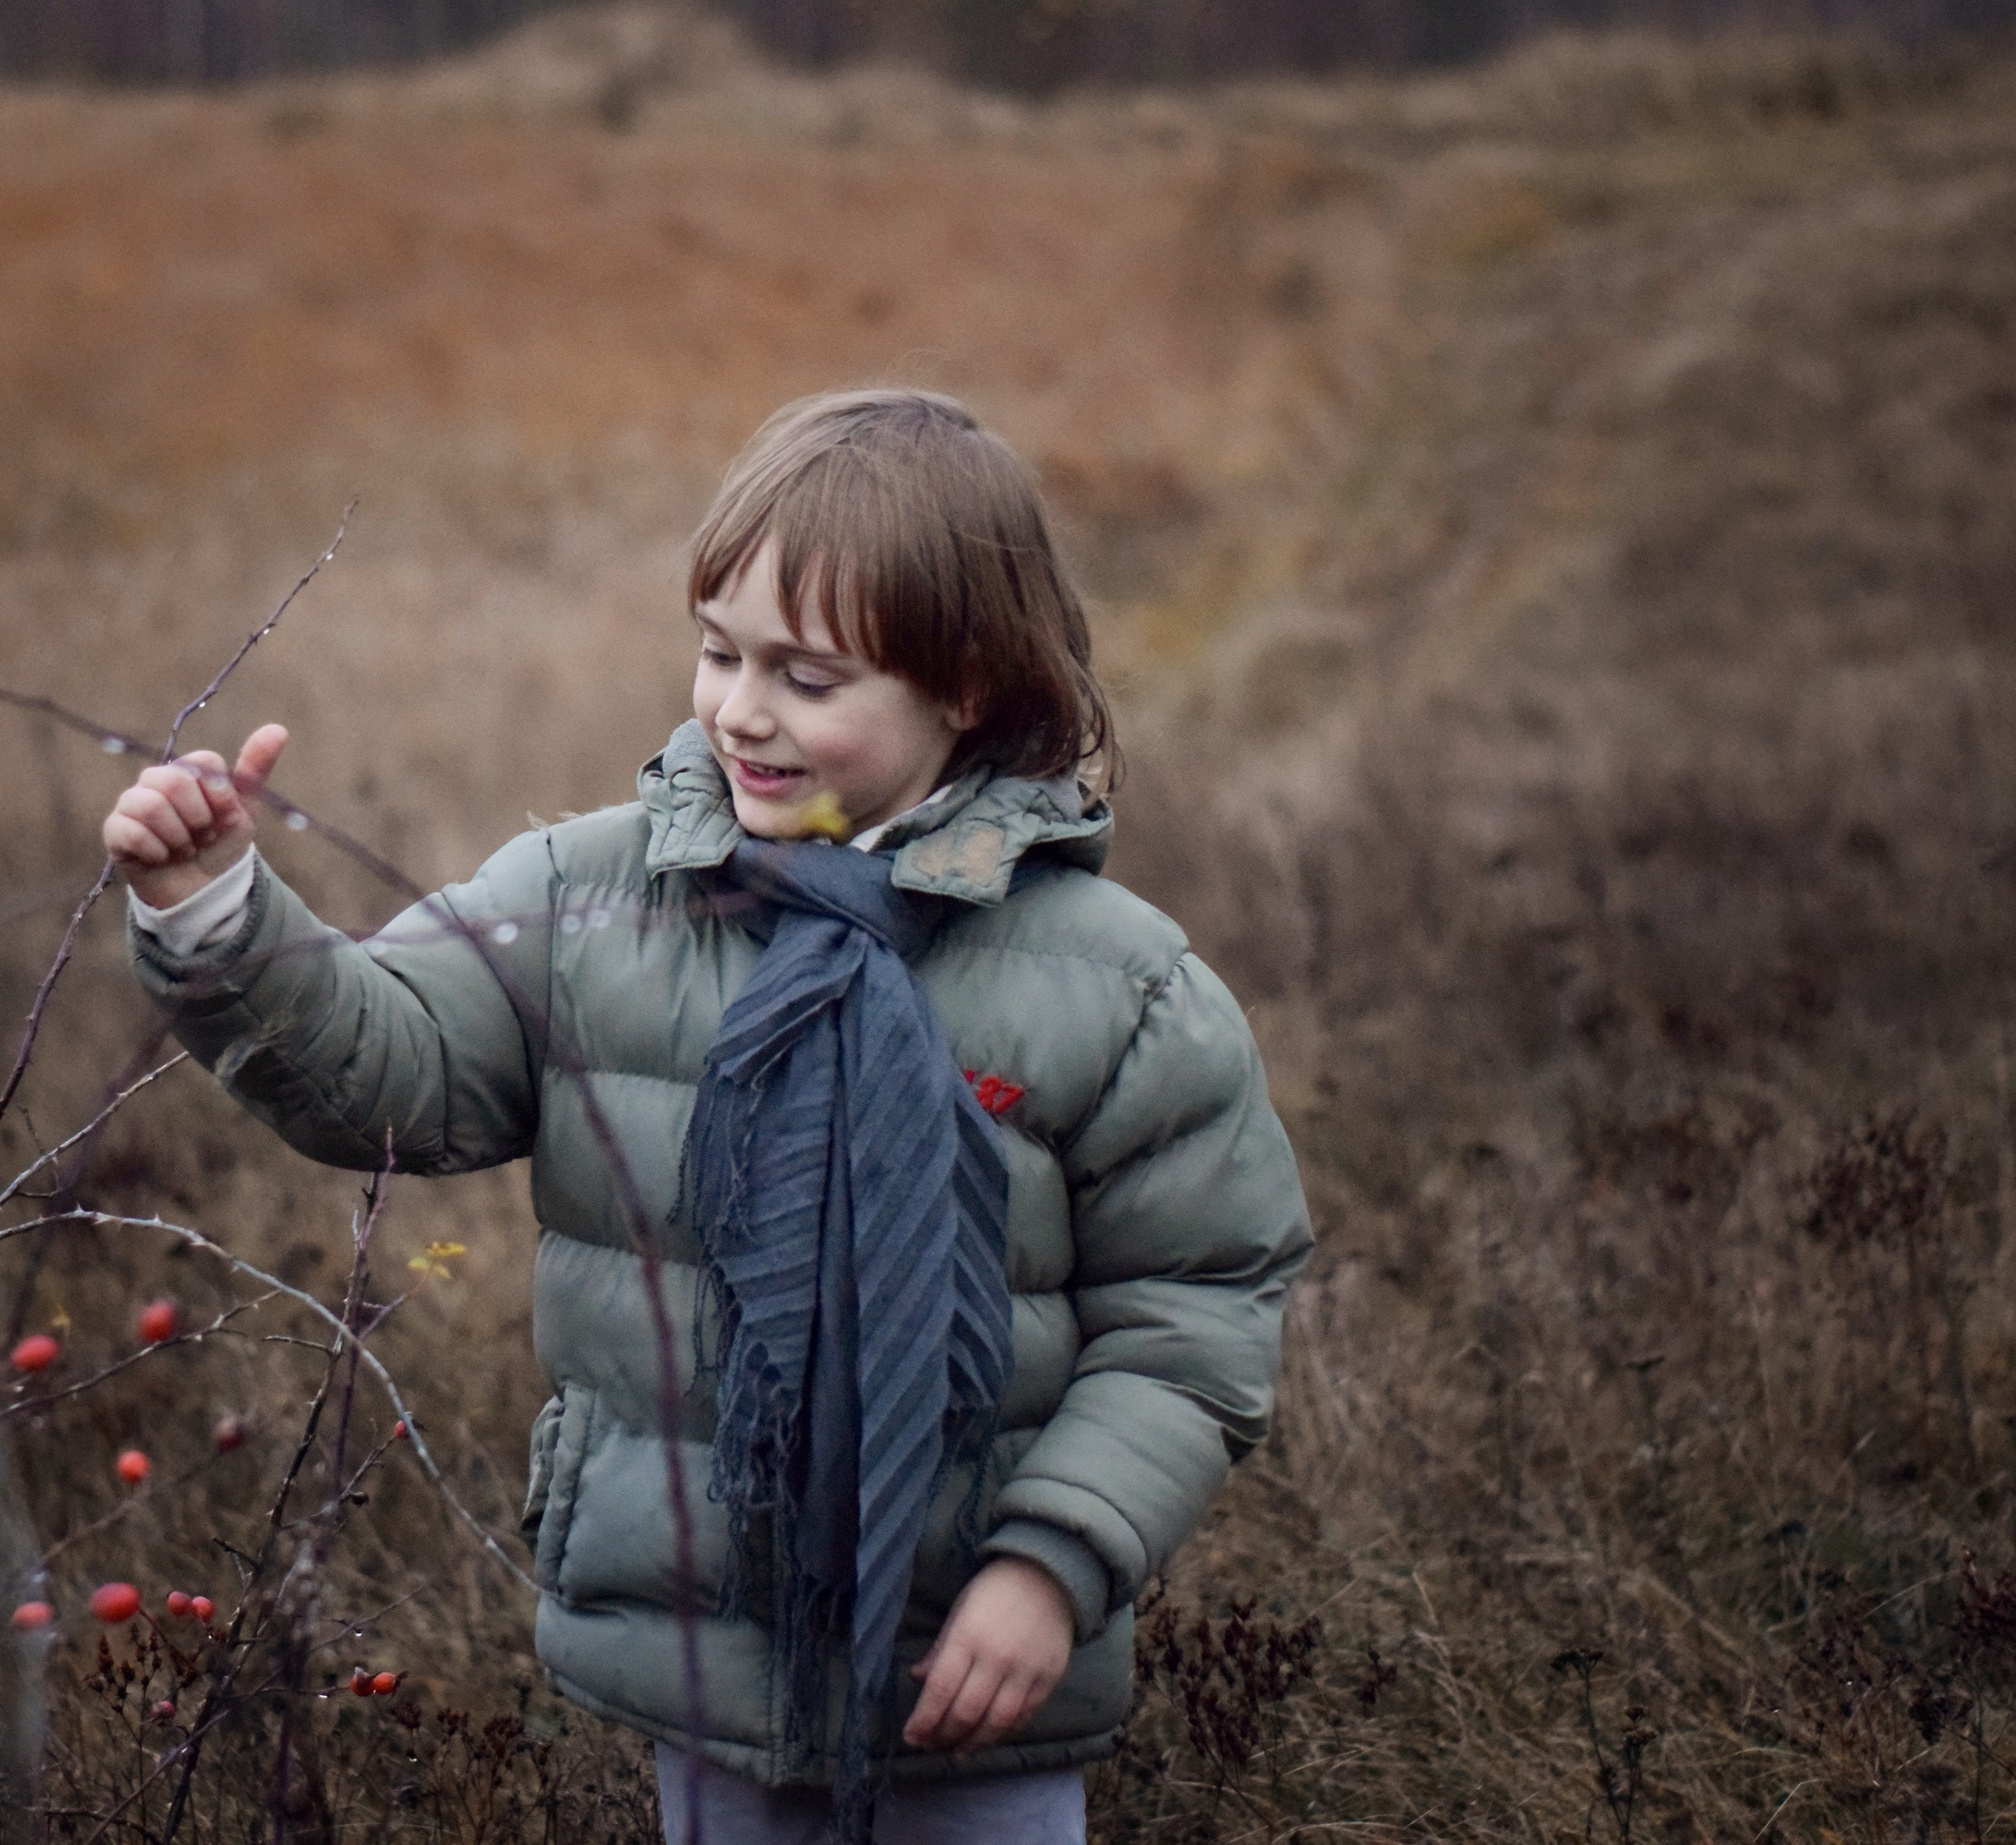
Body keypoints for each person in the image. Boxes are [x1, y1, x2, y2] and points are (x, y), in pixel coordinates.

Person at [103, 388, 1313, 1845]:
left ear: (970, 683)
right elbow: (391, 1073)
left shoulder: (1116, 985)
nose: (741, 709)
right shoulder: (592, 898)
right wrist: (219, 914)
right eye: (720, 650)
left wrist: (1051, 1565)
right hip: (703, 1642)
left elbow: (1199, 1310)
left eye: (808, 677)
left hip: (977, 1666)